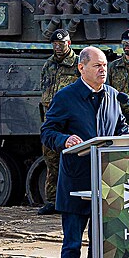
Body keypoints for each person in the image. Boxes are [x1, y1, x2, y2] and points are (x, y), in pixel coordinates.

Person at [40, 46, 129, 258]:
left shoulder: (113, 96)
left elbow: (120, 127)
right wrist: (64, 139)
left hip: (107, 180)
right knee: (72, 243)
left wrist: (127, 138)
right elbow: (48, 131)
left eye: (105, 66)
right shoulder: (66, 97)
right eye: (97, 66)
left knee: (100, 242)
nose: (103, 70)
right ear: (82, 68)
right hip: (77, 180)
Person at [37, 29, 79, 215]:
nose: (58, 47)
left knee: (73, 161)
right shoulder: (49, 65)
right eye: (55, 44)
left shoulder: (78, 64)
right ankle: (52, 201)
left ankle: (72, 200)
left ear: (68, 44)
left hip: (71, 120)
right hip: (51, 118)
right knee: (51, 160)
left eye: (61, 44)